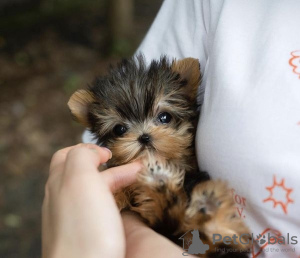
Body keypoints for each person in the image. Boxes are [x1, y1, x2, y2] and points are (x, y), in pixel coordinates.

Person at [44, 0, 300, 257]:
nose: (144, 134)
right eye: (121, 130)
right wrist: (135, 233)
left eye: (164, 117)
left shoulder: (202, 191)